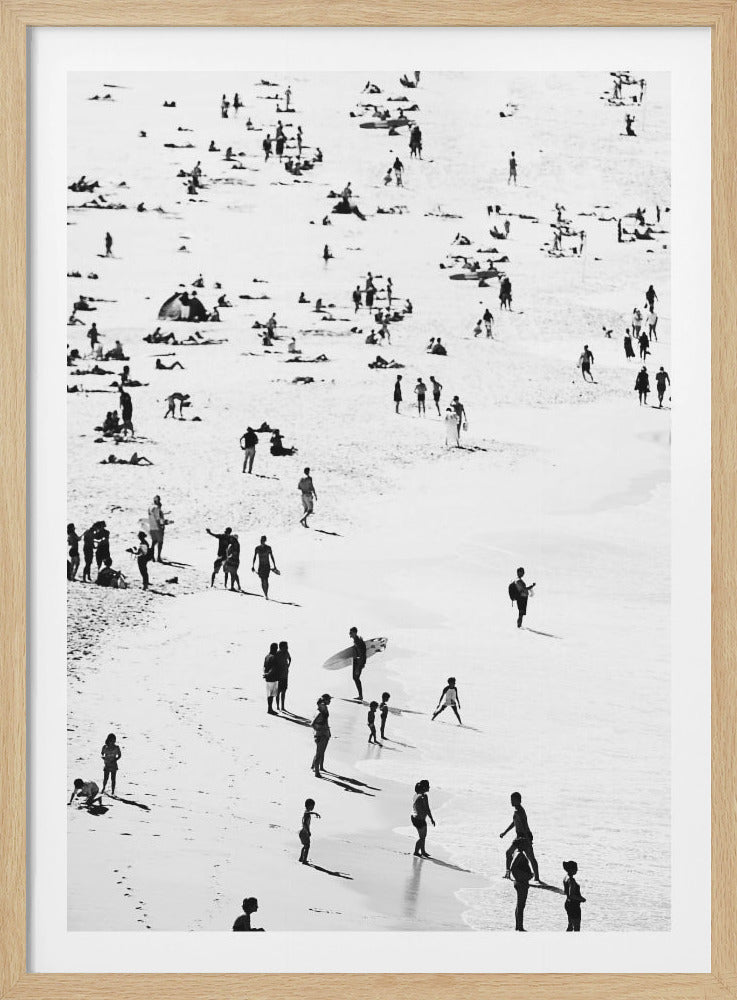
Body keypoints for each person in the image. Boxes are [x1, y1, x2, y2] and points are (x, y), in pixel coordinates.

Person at [500, 791, 540, 882]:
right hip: (519, 837)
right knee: (509, 853)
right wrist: (505, 832)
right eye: (511, 800)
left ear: (518, 800)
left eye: (513, 800)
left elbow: (524, 825)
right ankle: (508, 873)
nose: (511, 802)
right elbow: (514, 822)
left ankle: (537, 878)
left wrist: (528, 840)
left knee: (531, 857)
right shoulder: (517, 811)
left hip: (524, 837)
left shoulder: (520, 811)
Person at [510, 848, 534, 932]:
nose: (529, 844)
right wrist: (522, 877)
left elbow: (514, 867)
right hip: (521, 883)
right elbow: (512, 868)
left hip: (520, 882)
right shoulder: (519, 854)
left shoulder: (516, 852)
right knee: (521, 905)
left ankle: (518, 926)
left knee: (519, 905)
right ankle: (520, 927)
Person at [411, 779, 435, 857]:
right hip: (419, 819)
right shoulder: (424, 796)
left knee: (422, 837)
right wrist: (431, 818)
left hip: (414, 818)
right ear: (424, 788)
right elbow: (427, 809)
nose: (429, 787)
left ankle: (423, 852)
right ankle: (416, 852)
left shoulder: (416, 794)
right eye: (428, 786)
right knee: (422, 837)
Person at [311, 694, 332, 775]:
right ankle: (316, 772)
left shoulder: (324, 710)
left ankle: (318, 767)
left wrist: (328, 732)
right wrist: (318, 731)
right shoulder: (320, 712)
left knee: (321, 752)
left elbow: (325, 722)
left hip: (325, 733)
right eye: (329, 700)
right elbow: (312, 724)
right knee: (319, 753)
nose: (330, 701)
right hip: (321, 735)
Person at [563, 860, 586, 931]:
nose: (577, 870)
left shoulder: (565, 877)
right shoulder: (571, 880)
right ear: (572, 870)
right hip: (574, 905)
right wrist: (581, 899)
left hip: (568, 903)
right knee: (576, 927)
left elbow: (566, 892)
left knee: (570, 925)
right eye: (576, 868)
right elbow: (571, 895)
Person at [299, 798, 321, 863]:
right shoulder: (306, 813)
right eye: (312, 806)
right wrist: (308, 831)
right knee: (307, 846)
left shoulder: (306, 813)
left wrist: (314, 813)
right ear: (309, 806)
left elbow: (308, 813)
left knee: (305, 845)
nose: (313, 807)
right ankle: (304, 860)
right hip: (304, 832)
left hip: (302, 832)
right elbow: (305, 823)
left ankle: (301, 858)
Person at [349, 626, 367, 700]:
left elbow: (362, 654)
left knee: (356, 677)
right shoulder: (356, 640)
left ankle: (360, 696)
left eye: (351, 632)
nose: (349, 634)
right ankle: (360, 695)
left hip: (358, 662)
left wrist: (359, 667)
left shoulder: (358, 641)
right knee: (355, 678)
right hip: (357, 661)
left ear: (355, 633)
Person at [263, 642, 280, 714]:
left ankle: (269, 708)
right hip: (272, 677)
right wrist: (268, 674)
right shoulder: (274, 657)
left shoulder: (267, 656)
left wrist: (265, 674)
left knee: (269, 694)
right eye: (276, 648)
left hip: (267, 677)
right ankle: (270, 709)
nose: (277, 649)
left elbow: (264, 667)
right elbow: (273, 668)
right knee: (272, 694)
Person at [148, 495, 166, 561]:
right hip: (157, 527)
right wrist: (161, 525)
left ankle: (151, 556)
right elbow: (157, 519)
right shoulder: (156, 508)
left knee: (154, 542)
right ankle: (158, 557)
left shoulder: (150, 507)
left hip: (151, 527)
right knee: (160, 542)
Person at [276, 640, 291, 711]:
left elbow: (290, 658)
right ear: (281, 647)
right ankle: (278, 706)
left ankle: (282, 706)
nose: (287, 648)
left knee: (284, 691)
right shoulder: (277, 654)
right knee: (278, 692)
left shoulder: (286, 652)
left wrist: (288, 665)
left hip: (285, 676)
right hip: (279, 676)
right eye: (286, 647)